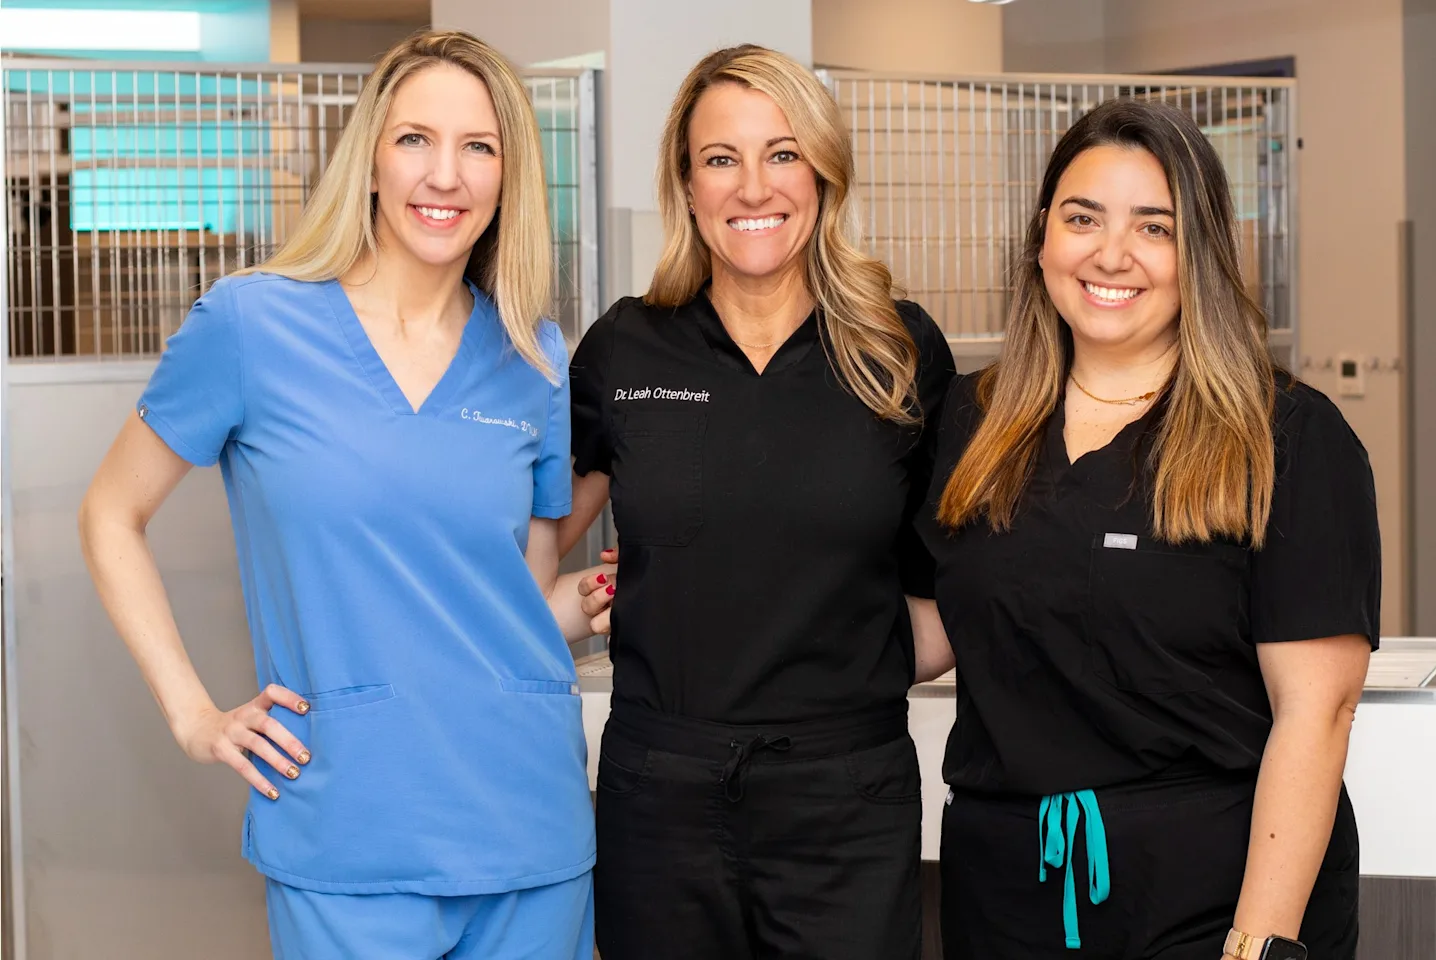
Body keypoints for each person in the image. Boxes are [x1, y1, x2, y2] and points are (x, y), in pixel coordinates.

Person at [77, 30, 600, 960]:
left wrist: (620, 597)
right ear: (367, 157)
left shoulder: (536, 358)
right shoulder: (252, 323)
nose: (445, 175)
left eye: (478, 147)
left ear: (508, 176)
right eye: (414, 140)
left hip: (529, 827)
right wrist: (193, 713)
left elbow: (517, 601)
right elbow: (110, 515)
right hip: (346, 828)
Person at [918, 98, 1379, 960]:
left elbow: (1316, 712)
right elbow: (941, 624)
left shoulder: (1286, 437)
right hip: (1002, 890)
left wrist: (1261, 942)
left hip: (1209, 897)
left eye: (1153, 227)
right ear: (1042, 236)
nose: (1111, 254)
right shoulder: (975, 418)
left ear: (1198, 253)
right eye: (1082, 217)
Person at [563, 44, 956, 960]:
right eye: (720, 158)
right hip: (657, 793)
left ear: (822, 172)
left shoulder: (899, 350)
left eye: (782, 154)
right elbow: (527, 544)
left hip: (846, 800)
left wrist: (848, 676)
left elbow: (963, 579)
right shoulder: (627, 347)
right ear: (686, 184)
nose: (753, 188)